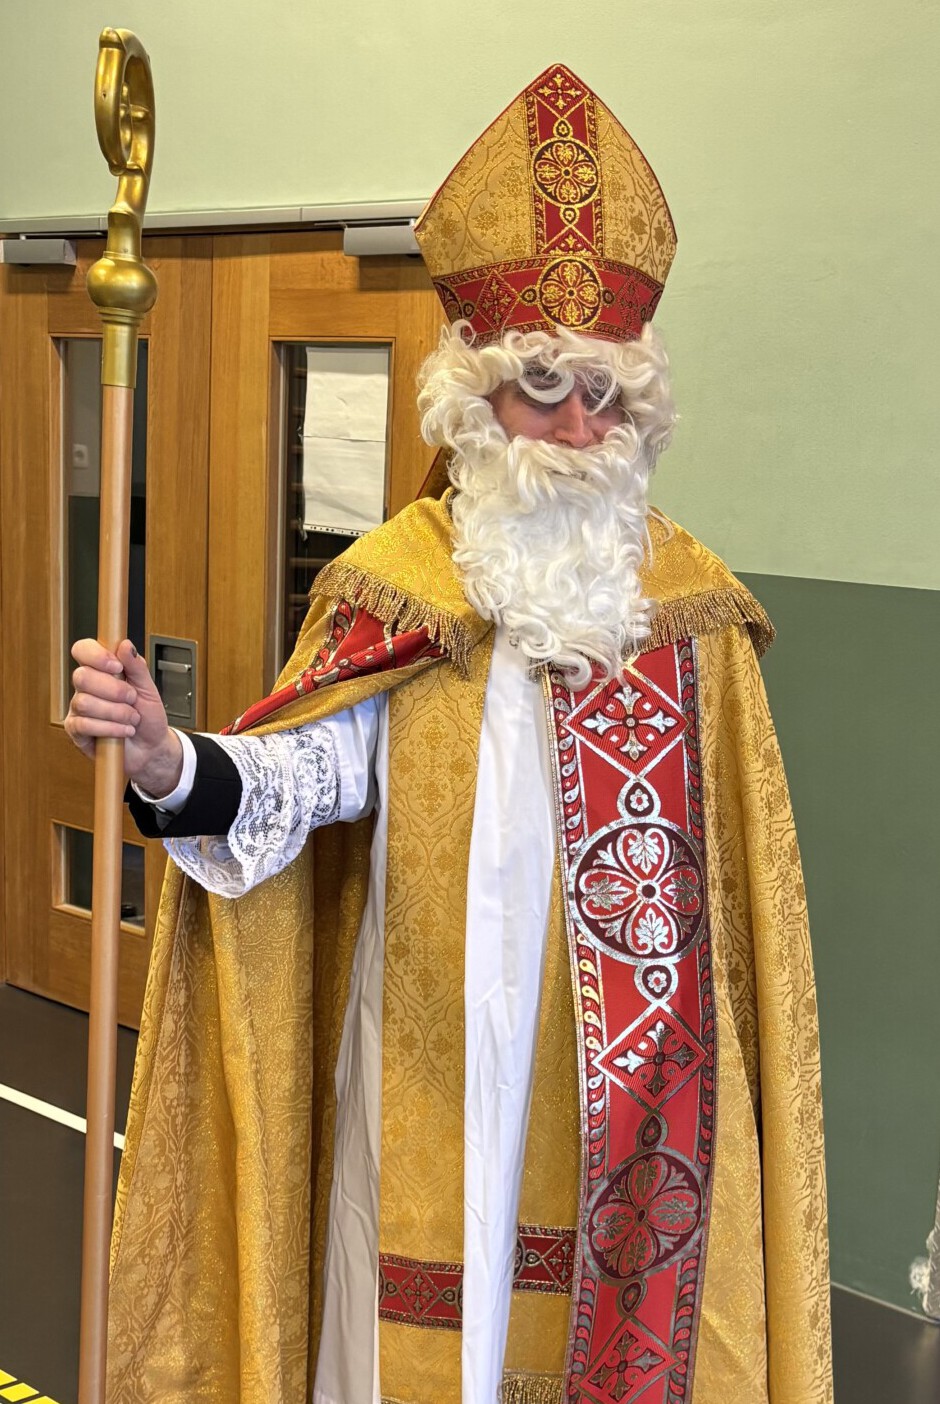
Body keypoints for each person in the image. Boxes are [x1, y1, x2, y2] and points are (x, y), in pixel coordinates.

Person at [66, 63, 832, 1404]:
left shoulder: (694, 617)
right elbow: (306, 772)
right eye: (543, 386)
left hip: (635, 1113)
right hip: (423, 1070)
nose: (579, 429)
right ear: (473, 398)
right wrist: (165, 759)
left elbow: (747, 914)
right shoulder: (401, 586)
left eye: (606, 396)